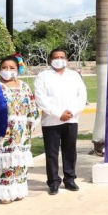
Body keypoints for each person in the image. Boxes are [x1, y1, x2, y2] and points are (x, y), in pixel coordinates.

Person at [0, 56, 40, 204]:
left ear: (17, 69)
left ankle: (17, 190)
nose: (7, 70)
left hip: (21, 132)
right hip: (0, 132)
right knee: (2, 162)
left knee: (18, 161)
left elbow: (32, 108)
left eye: (12, 68)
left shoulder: (24, 86)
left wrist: (29, 126)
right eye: (4, 67)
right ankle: (3, 193)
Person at [34, 48, 87, 195]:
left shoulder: (74, 76)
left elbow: (82, 96)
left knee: (70, 151)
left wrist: (72, 112)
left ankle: (70, 179)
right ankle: (53, 182)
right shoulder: (43, 76)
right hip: (51, 121)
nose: (59, 59)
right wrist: (58, 114)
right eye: (56, 57)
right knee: (52, 153)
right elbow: (40, 98)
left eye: (62, 57)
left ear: (66, 59)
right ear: (50, 60)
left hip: (71, 119)